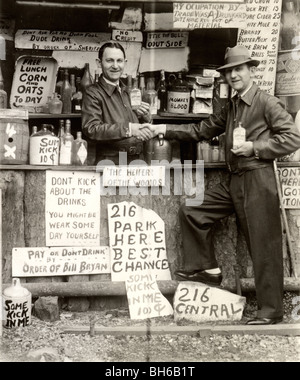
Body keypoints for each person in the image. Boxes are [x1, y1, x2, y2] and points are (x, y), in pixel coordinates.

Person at [150, 45, 300, 325]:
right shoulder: (230, 106)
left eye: (238, 70)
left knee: (264, 246)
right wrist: (164, 130)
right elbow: (201, 130)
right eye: (229, 72)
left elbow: (293, 138)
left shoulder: (267, 102)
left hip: (258, 179)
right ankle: (206, 268)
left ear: (250, 71)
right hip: (234, 180)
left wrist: (256, 147)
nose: (233, 76)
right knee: (192, 210)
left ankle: (270, 312)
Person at [81, 41, 152, 164]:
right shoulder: (93, 93)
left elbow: (139, 129)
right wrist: (129, 129)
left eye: (119, 61)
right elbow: (91, 129)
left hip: (137, 161)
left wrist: (146, 119)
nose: (115, 66)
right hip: (110, 162)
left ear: (125, 63)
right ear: (99, 63)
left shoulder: (128, 92)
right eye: (109, 60)